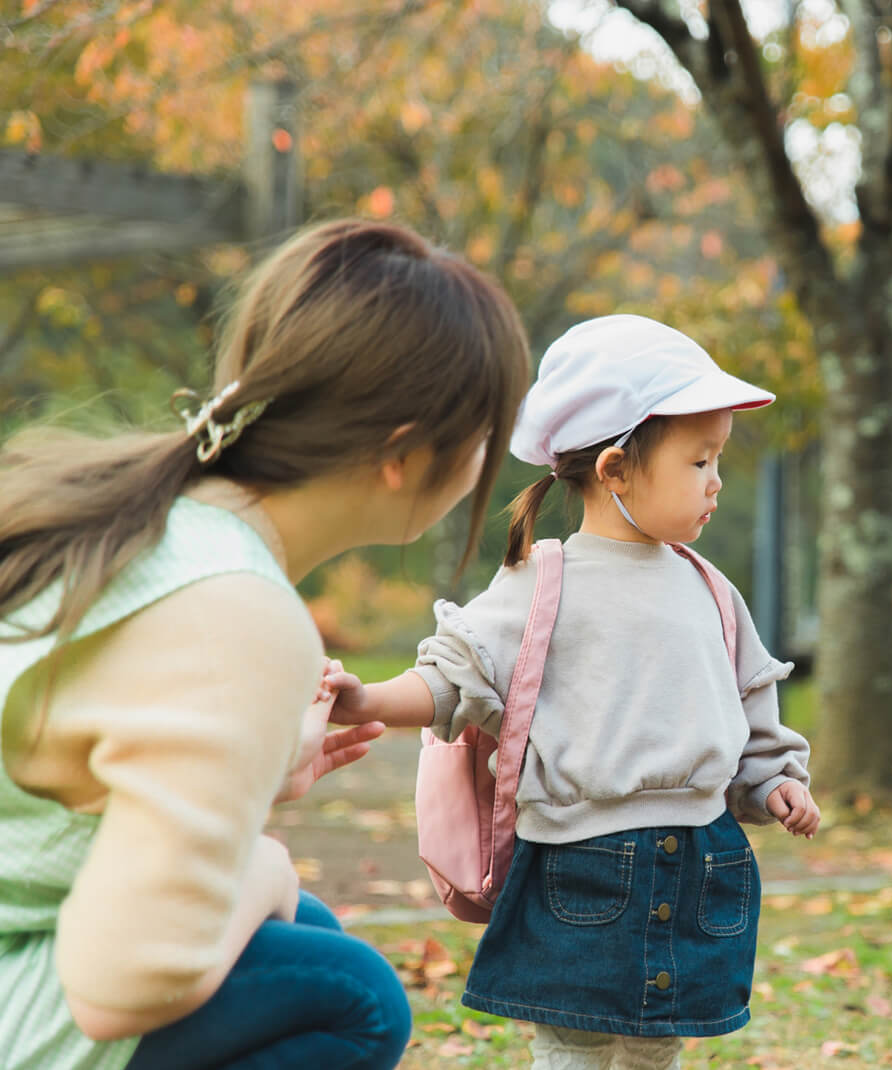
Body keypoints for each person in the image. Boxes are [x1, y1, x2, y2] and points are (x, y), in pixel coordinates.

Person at [0, 218, 532, 1070]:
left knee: (306, 937)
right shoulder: (236, 609)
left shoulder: (154, 524)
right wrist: (268, 866)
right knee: (349, 991)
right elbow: (119, 986)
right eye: (480, 438)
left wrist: (251, 777)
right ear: (404, 455)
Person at [325, 313, 819, 1070]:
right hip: (579, 864)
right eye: (699, 461)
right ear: (616, 468)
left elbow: (751, 715)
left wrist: (776, 783)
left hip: (702, 859)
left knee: (659, 1043)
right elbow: (454, 679)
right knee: (572, 1045)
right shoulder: (544, 580)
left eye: (718, 459)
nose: (716, 480)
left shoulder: (711, 590)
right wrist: (366, 701)